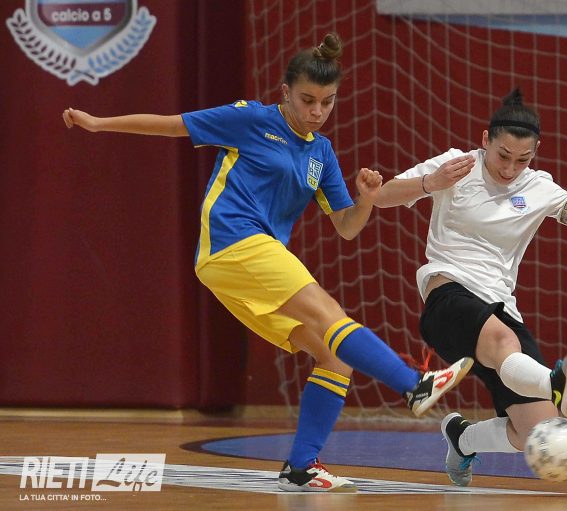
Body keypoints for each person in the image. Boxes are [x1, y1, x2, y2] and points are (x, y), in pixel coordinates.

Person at [62, 33, 473, 493]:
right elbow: (173, 125)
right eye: (308, 100)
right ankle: (414, 384)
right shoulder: (251, 119)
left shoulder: (321, 152)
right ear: (285, 92)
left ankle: (301, 467)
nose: (317, 111)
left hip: (247, 262)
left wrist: (366, 198)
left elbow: (347, 227)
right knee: (331, 314)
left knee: (334, 357)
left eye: (327, 102)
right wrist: (99, 123)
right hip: (234, 242)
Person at [374, 88, 567, 486]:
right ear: (485, 140)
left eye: (522, 159)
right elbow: (381, 197)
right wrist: (429, 182)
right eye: (503, 155)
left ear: (535, 153)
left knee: (538, 434)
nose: (510, 168)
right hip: (448, 297)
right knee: (504, 342)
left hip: (500, 307)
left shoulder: (540, 189)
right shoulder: (455, 165)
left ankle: (462, 438)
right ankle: (554, 381)